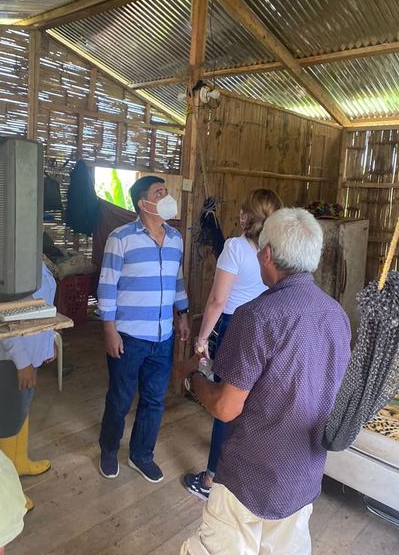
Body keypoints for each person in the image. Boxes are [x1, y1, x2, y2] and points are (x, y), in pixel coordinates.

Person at [181, 208, 351, 555]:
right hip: (302, 477)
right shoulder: (336, 315)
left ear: (268, 254)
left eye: (260, 250)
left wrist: (193, 379)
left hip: (249, 479)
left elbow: (226, 408)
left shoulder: (256, 316)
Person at [183, 188, 282, 499]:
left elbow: (217, 301)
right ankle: (244, 472)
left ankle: (211, 480)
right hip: (266, 330)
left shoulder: (235, 247)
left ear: (245, 216)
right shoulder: (276, 250)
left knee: (226, 405)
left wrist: (201, 338)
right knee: (252, 405)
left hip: (234, 329)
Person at [98, 175, 190, 483]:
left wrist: (183, 315)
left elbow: (177, 280)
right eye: (159, 192)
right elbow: (107, 286)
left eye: (166, 191)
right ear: (143, 203)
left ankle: (141, 455)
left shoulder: (175, 239)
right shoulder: (121, 238)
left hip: (163, 337)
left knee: (154, 400)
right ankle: (109, 449)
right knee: (120, 399)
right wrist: (109, 330)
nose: (167, 197)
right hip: (128, 336)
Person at [0, 262, 56, 511]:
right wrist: (22, 362)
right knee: (12, 418)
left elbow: (44, 306)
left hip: (30, 353)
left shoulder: (34, 256)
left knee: (22, 408)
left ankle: (19, 462)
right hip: (12, 359)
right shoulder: (7, 262)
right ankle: (7, 492)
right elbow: (2, 319)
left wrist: (48, 343)